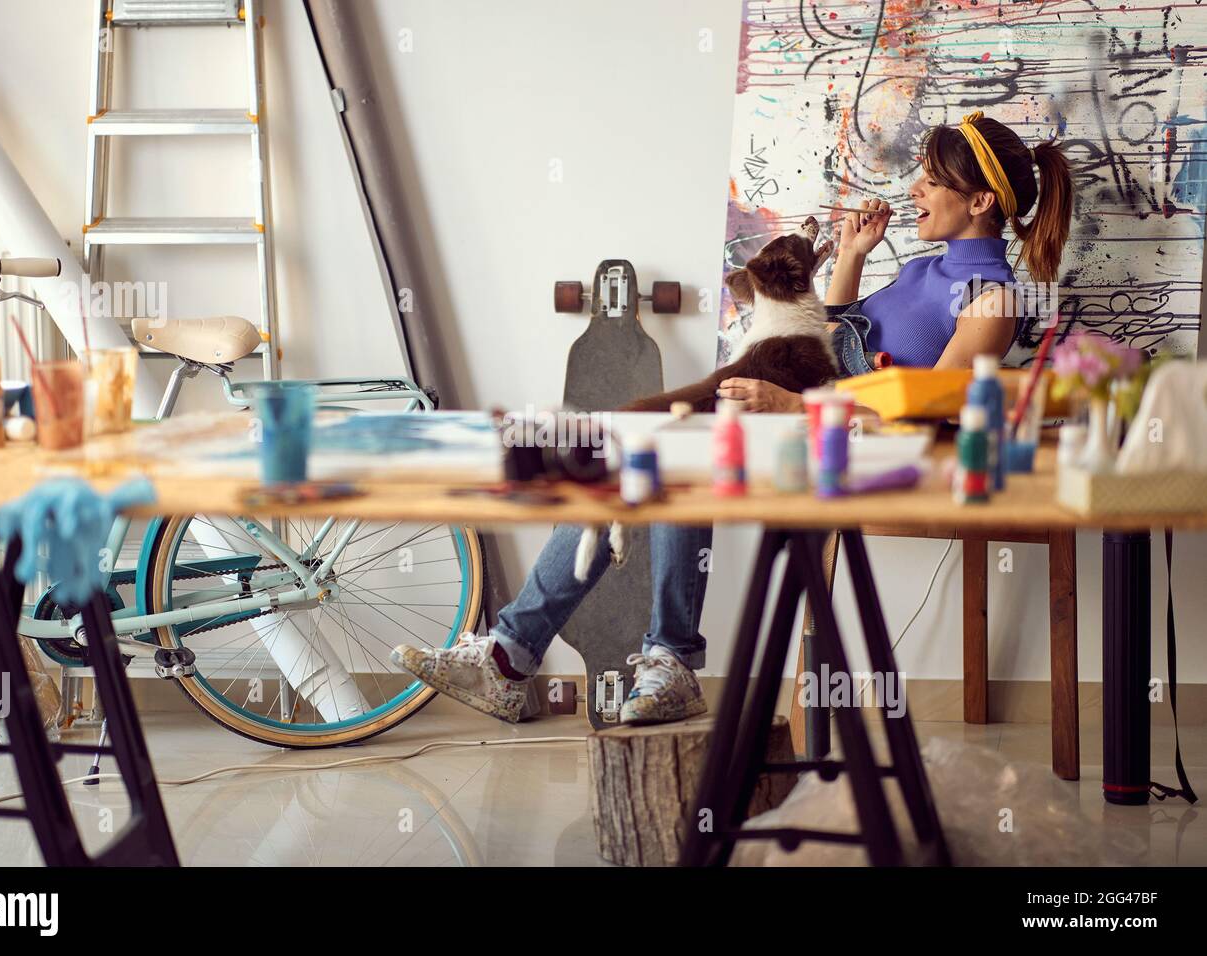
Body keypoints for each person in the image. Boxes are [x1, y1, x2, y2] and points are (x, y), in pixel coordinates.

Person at [391, 110, 1074, 725]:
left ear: (981, 200)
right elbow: (827, 339)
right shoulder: (926, 270)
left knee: (669, 449)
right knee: (638, 446)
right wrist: (855, 260)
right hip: (806, 408)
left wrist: (794, 407)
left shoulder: (991, 298)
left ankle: (617, 660)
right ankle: (545, 659)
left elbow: (927, 415)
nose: (915, 191)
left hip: (840, 441)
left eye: (932, 182)